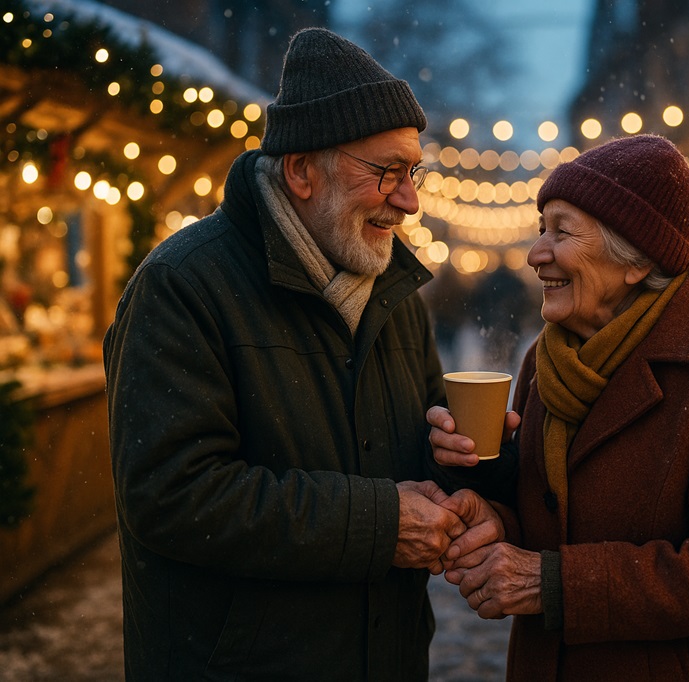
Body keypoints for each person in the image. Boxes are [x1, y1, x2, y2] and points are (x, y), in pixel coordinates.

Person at [103, 28, 501, 681]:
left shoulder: (394, 292)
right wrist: (379, 524)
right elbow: (170, 497)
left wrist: (469, 468)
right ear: (301, 171)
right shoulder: (183, 285)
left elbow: (404, 456)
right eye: (388, 173)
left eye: (414, 172)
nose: (410, 199)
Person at [428, 134, 689, 680]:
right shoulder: (546, 358)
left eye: (562, 231)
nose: (535, 253)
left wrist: (552, 584)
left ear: (635, 258)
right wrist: (489, 508)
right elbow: (555, 517)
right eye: (540, 229)